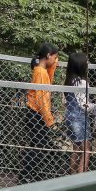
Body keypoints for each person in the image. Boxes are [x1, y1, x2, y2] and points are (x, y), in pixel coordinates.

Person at [19, 42, 59, 183]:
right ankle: (26, 176)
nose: (55, 60)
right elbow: (42, 98)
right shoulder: (40, 72)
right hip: (37, 114)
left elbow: (49, 81)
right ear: (48, 55)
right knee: (39, 146)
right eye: (54, 57)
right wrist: (48, 119)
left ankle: (31, 174)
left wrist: (53, 65)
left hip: (36, 114)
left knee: (39, 145)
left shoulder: (41, 71)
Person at [63, 52, 93, 174]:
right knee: (87, 150)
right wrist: (95, 106)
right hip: (79, 119)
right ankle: (81, 178)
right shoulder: (82, 83)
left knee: (76, 149)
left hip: (69, 116)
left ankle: (73, 176)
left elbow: (64, 102)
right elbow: (84, 105)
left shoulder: (68, 81)